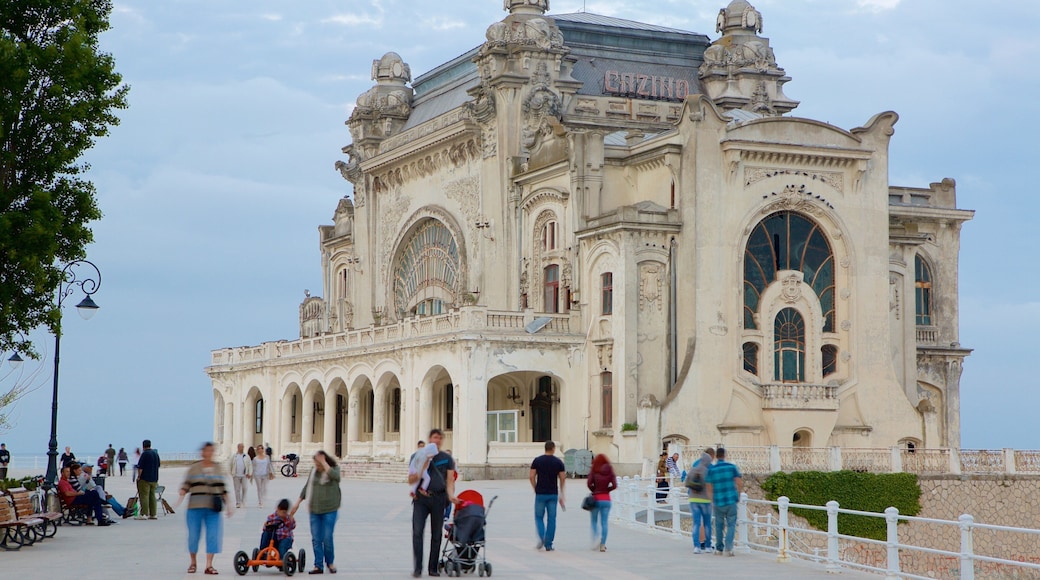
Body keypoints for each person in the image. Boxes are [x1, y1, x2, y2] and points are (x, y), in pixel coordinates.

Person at [174, 442, 232, 575]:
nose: (210, 453)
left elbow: (223, 488)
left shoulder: (218, 468)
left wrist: (229, 505)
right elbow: (186, 484)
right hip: (195, 507)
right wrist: (181, 493)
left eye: (212, 451)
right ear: (202, 452)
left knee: (213, 535)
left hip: (213, 508)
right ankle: (193, 562)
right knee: (193, 536)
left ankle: (209, 565)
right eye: (207, 451)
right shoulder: (194, 468)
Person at [409, 428, 457, 578]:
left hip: (439, 499)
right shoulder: (417, 456)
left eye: (439, 438)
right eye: (434, 437)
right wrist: (421, 468)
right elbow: (410, 479)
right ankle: (418, 568)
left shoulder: (447, 459)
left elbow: (450, 481)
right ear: (430, 439)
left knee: (436, 534)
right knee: (417, 532)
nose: (437, 440)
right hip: (421, 499)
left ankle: (433, 568)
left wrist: (451, 496)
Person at [290, 450, 342, 575]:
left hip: (330, 510)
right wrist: (297, 502)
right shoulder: (314, 472)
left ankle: (330, 562)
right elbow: (307, 487)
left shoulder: (333, 469)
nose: (317, 467)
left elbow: (337, 477)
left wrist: (324, 463)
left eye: (319, 464)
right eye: (316, 464)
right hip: (315, 510)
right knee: (316, 539)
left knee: (327, 538)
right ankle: (318, 565)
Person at [705, 447, 743, 556]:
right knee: (731, 524)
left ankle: (719, 548)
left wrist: (711, 499)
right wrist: (738, 494)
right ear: (725, 455)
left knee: (719, 525)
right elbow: (739, 482)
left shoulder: (712, 470)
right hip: (731, 500)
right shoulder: (732, 467)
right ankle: (729, 548)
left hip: (718, 501)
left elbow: (708, 486)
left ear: (716, 456)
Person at [530, 440, 566, 552]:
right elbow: (562, 477)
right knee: (552, 519)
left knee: (539, 517)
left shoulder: (537, 461)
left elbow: (531, 476)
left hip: (540, 493)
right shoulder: (558, 462)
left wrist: (535, 487)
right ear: (553, 449)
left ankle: (542, 537)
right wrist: (561, 492)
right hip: (553, 494)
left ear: (545, 448)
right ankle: (549, 544)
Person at [686, 448, 715, 553]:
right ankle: (708, 546)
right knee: (707, 523)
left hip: (693, 498)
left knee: (696, 523)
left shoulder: (694, 467)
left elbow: (686, 482)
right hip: (706, 500)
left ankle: (696, 546)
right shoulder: (709, 470)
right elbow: (712, 485)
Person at [586, 453, 616, 552]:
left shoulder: (594, 469)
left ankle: (597, 537)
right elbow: (615, 485)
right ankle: (602, 544)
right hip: (606, 499)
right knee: (604, 522)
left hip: (596, 499)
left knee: (594, 521)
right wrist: (607, 490)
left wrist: (594, 490)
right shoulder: (610, 470)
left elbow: (589, 483)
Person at [136, 439, 161, 520]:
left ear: (143, 446)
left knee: (144, 496)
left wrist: (139, 476)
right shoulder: (155, 454)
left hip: (145, 478)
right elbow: (158, 465)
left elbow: (140, 467)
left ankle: (144, 513)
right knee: (152, 496)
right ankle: (153, 514)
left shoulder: (145, 454)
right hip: (154, 478)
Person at [229, 443, 253, 508]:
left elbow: (250, 465)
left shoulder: (246, 456)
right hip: (236, 475)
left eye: (243, 447)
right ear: (238, 447)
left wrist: (250, 473)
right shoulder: (234, 456)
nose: (242, 448)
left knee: (245, 488)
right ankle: (238, 502)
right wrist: (231, 473)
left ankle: (243, 500)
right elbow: (230, 464)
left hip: (244, 475)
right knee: (237, 489)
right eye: (241, 447)